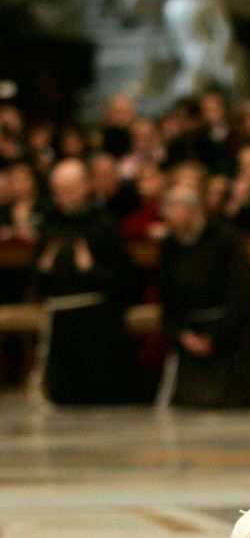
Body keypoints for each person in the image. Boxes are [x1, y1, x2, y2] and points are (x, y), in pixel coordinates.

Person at [30, 159, 141, 405]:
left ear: (86, 187)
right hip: (61, 321)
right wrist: (44, 271)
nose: (65, 196)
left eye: (70, 189)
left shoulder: (103, 224)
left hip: (97, 321)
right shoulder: (50, 226)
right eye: (59, 190)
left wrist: (92, 272)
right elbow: (39, 283)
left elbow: (126, 279)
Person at [155, 186, 250, 408]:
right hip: (189, 330)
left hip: (226, 330)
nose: (168, 215)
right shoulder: (170, 246)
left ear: (193, 211)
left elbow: (240, 295)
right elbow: (167, 299)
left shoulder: (225, 240)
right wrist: (183, 335)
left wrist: (214, 337)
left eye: (174, 208)